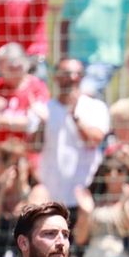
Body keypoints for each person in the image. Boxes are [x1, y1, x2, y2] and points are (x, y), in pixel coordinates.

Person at [40, 56, 110, 209]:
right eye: (66, 74)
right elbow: (33, 147)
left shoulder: (96, 107)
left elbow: (95, 140)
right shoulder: (45, 109)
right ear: (56, 77)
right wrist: (41, 123)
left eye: (77, 74)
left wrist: (75, 117)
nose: (72, 78)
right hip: (51, 194)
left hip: (83, 193)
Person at [0, 44, 49, 161]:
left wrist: (2, 121)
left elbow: (36, 122)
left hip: (27, 157)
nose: (14, 71)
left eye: (16, 66)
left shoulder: (36, 87)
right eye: (6, 67)